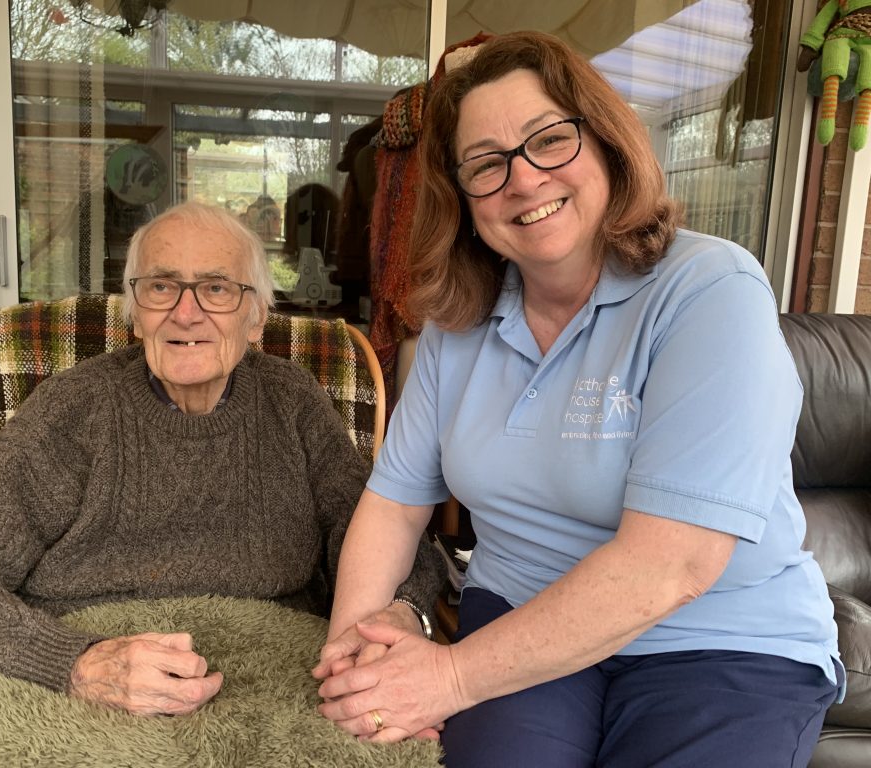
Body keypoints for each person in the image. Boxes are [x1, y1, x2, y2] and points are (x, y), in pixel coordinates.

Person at [313, 31, 843, 767]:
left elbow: (673, 568)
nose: (523, 179)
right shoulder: (455, 318)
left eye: (549, 140)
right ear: (461, 198)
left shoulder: (710, 291)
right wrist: (355, 656)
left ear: (608, 146)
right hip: (518, 615)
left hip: (718, 638)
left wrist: (448, 677)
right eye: (486, 164)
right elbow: (397, 503)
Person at [0, 201, 443, 717]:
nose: (185, 313)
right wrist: (75, 662)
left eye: (217, 288)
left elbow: (389, 541)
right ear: (135, 312)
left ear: (257, 316)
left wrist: (403, 614)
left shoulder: (293, 403)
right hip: (83, 690)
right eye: (162, 287)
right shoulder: (75, 410)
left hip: (277, 685)